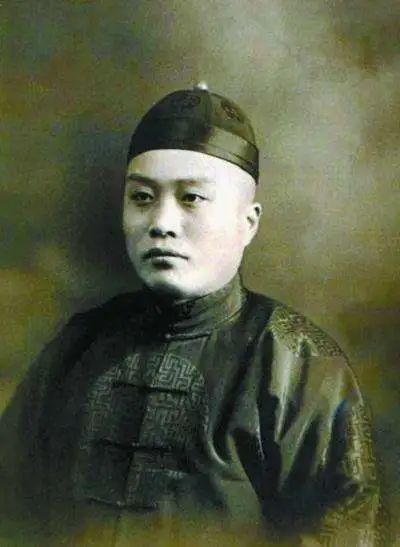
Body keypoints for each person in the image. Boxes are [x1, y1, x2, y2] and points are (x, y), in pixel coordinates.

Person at [0, 84, 384, 546]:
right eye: (142, 197)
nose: (161, 224)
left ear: (248, 223)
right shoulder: (77, 346)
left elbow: (343, 531)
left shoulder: (300, 365)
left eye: (191, 198)